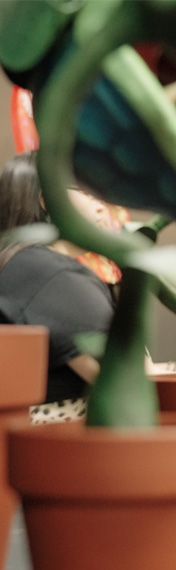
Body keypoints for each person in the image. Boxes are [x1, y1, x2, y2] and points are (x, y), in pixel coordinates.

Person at [0, 151, 115, 411]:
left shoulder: (21, 263)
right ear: (49, 201)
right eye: (88, 192)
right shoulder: (51, 275)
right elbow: (123, 381)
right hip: (58, 442)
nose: (102, 206)